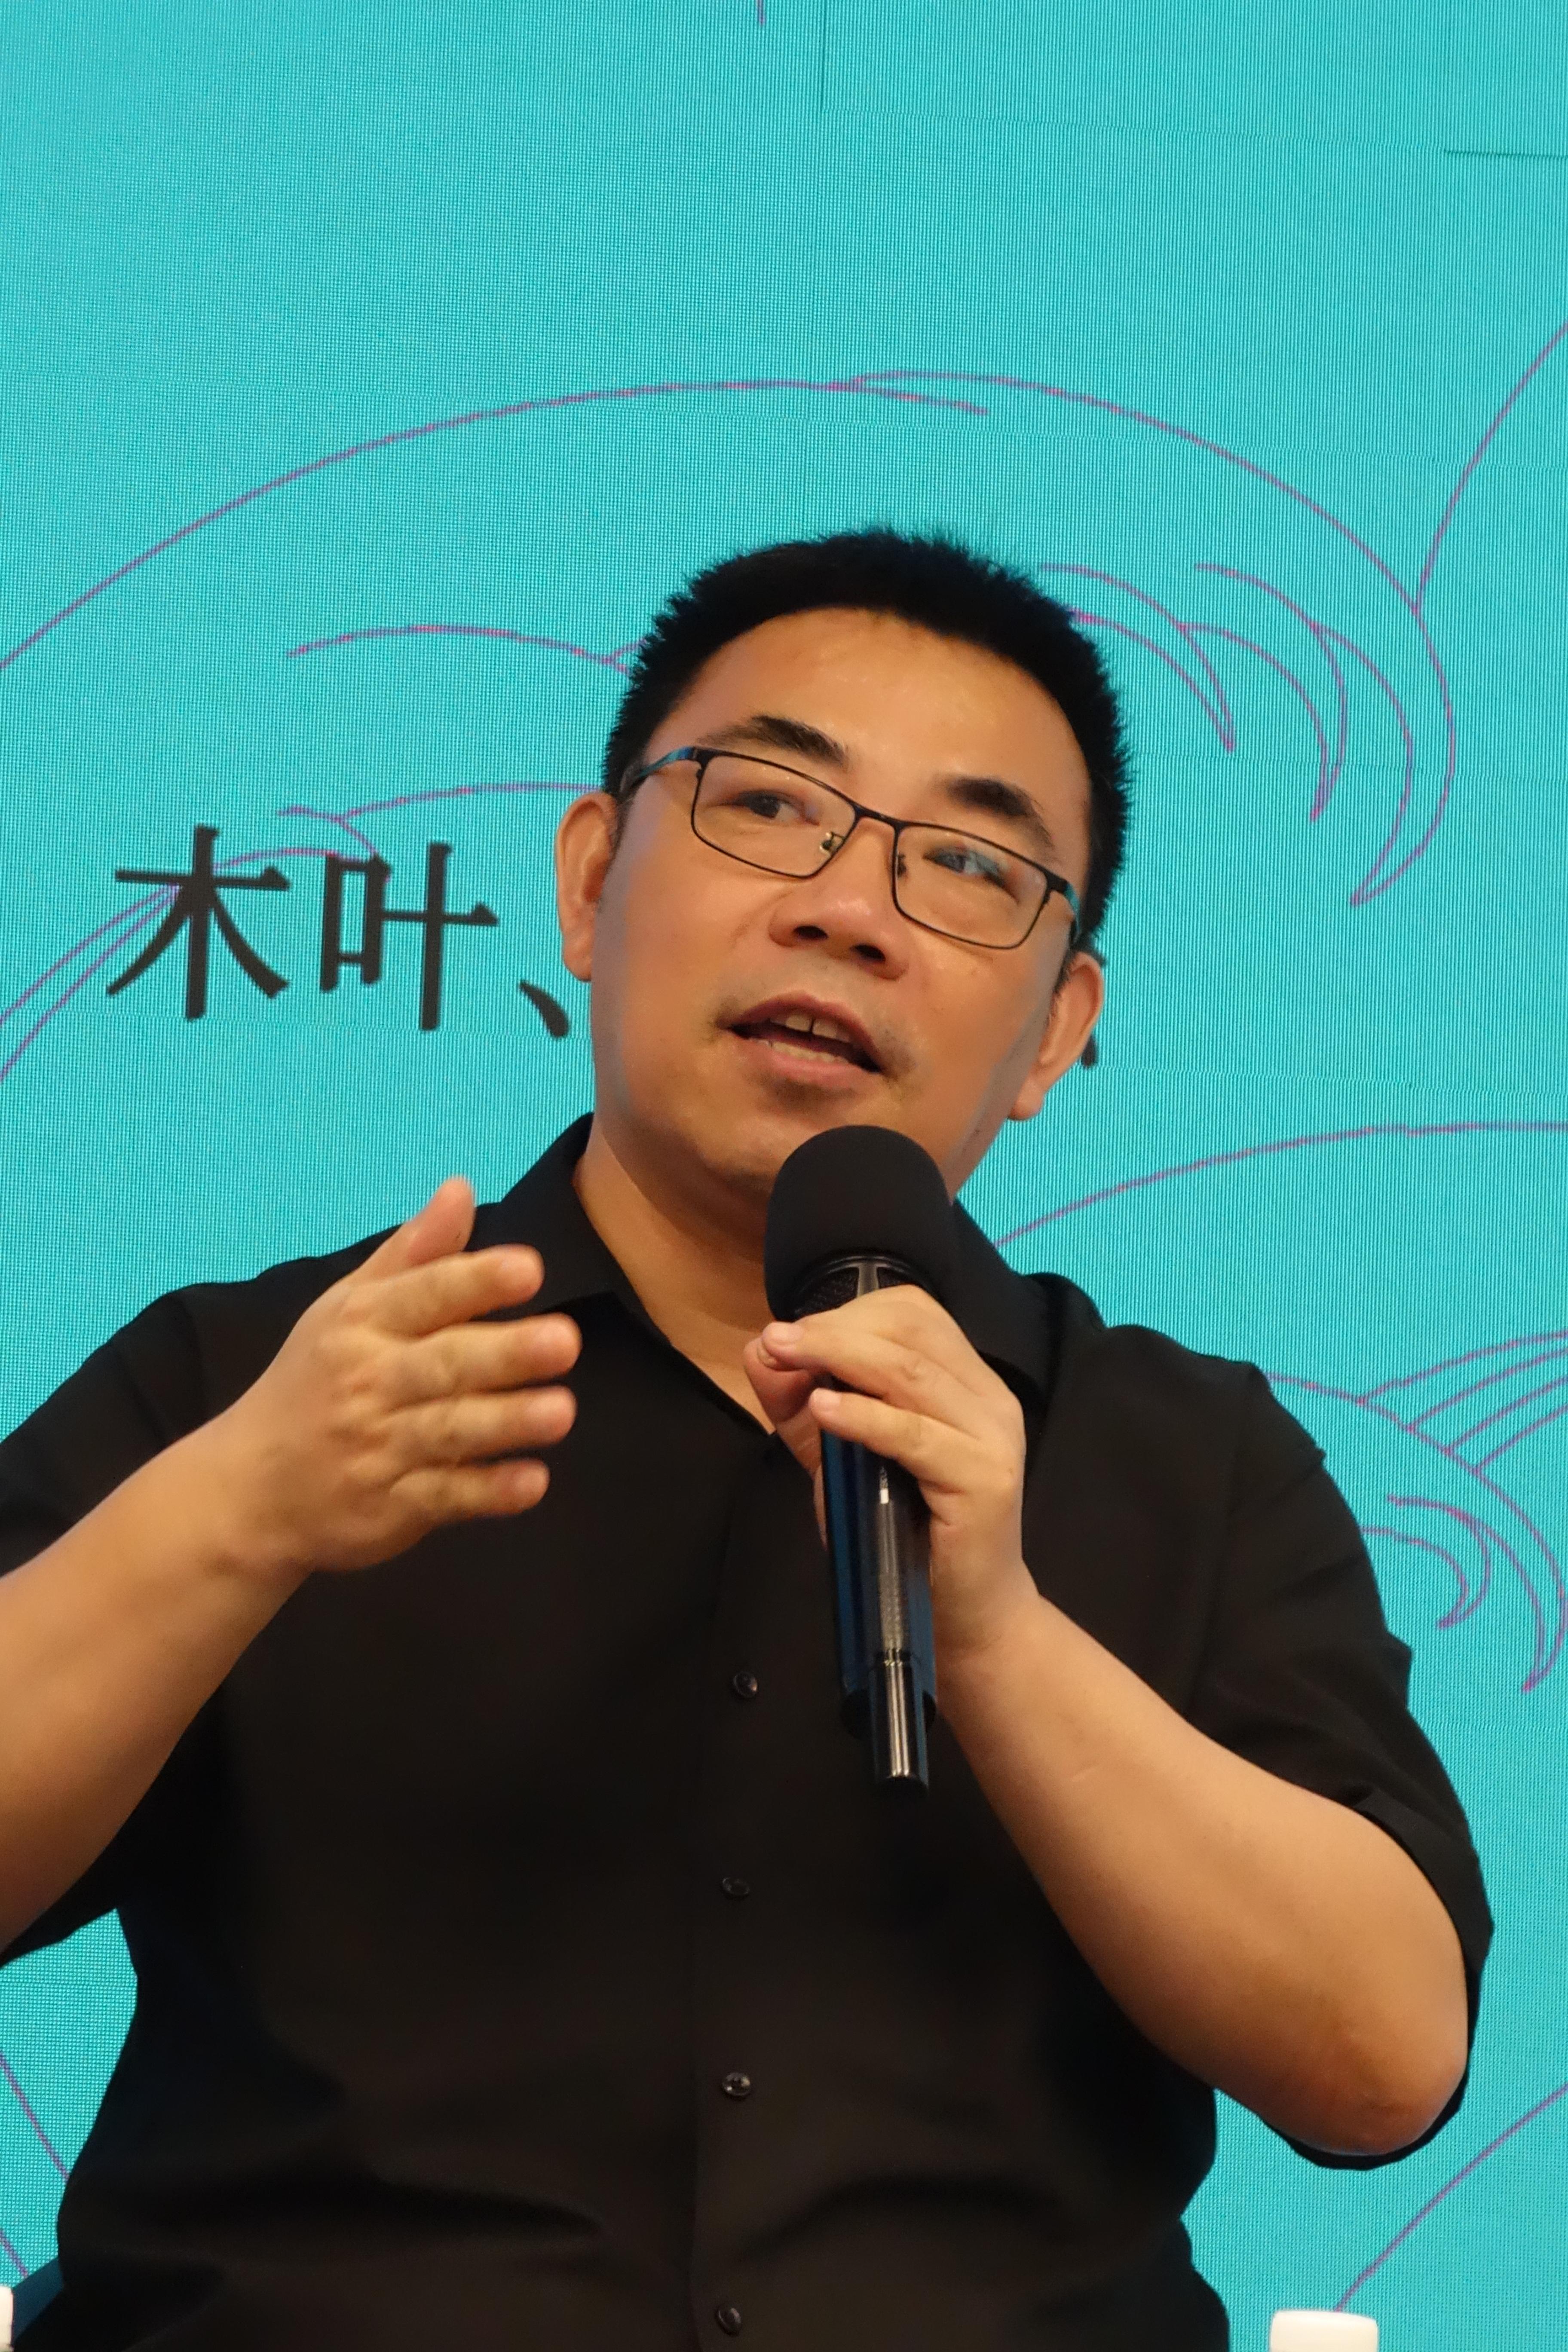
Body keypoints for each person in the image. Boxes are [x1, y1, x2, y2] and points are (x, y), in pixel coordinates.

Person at [0, 531, 1487, 2351]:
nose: (850, 911)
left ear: (1056, 1033)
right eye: (771, 806)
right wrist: (233, 1519)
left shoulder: (1193, 1462)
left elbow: (1383, 2059)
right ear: (590, 879)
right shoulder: (268, 1380)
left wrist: (1000, 1637)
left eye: (967, 863)